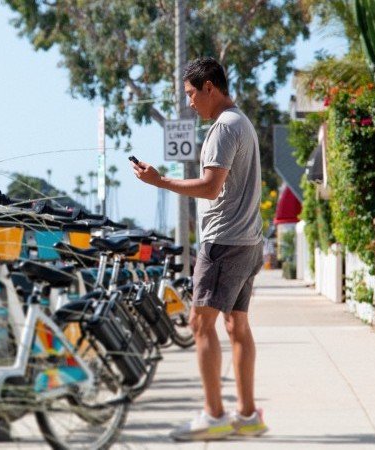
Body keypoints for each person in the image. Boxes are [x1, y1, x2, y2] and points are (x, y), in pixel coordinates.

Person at [130, 56, 268, 441]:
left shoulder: (225, 128)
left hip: (224, 241)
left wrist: (160, 181)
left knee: (199, 323)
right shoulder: (242, 122)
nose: (189, 103)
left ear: (210, 87)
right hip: (247, 241)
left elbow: (210, 187)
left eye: (192, 94)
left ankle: (214, 415)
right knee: (235, 325)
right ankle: (246, 414)